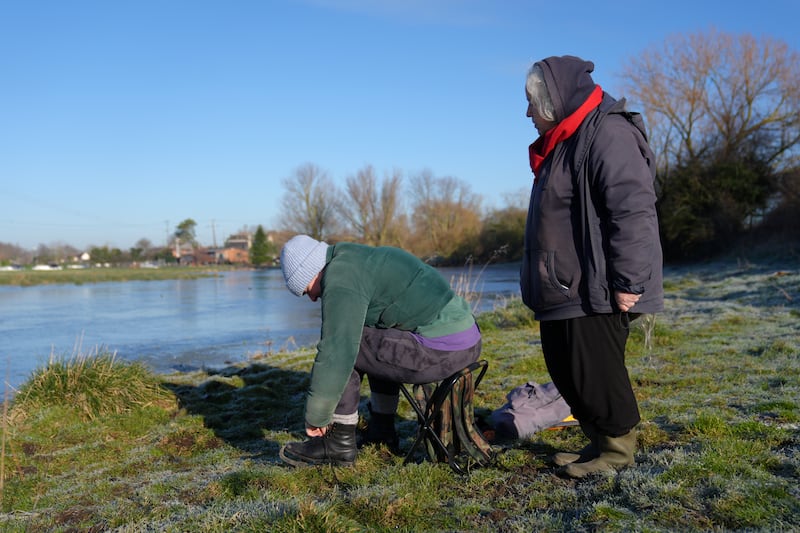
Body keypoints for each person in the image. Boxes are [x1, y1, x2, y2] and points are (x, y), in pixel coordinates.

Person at [520, 55, 664, 478]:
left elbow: (633, 210)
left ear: (555, 99)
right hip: (564, 288)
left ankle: (617, 451)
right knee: (567, 370)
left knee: (596, 372)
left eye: (532, 103)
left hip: (597, 287)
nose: (527, 112)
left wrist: (630, 281)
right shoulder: (567, 138)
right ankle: (598, 442)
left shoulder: (608, 133)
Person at [277, 235, 482, 467]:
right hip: (465, 339)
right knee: (369, 333)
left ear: (311, 271)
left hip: (442, 350)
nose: (313, 298)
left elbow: (337, 350)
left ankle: (339, 442)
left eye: (306, 290)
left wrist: (317, 416)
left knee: (350, 343)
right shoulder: (353, 258)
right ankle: (382, 428)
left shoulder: (341, 278)